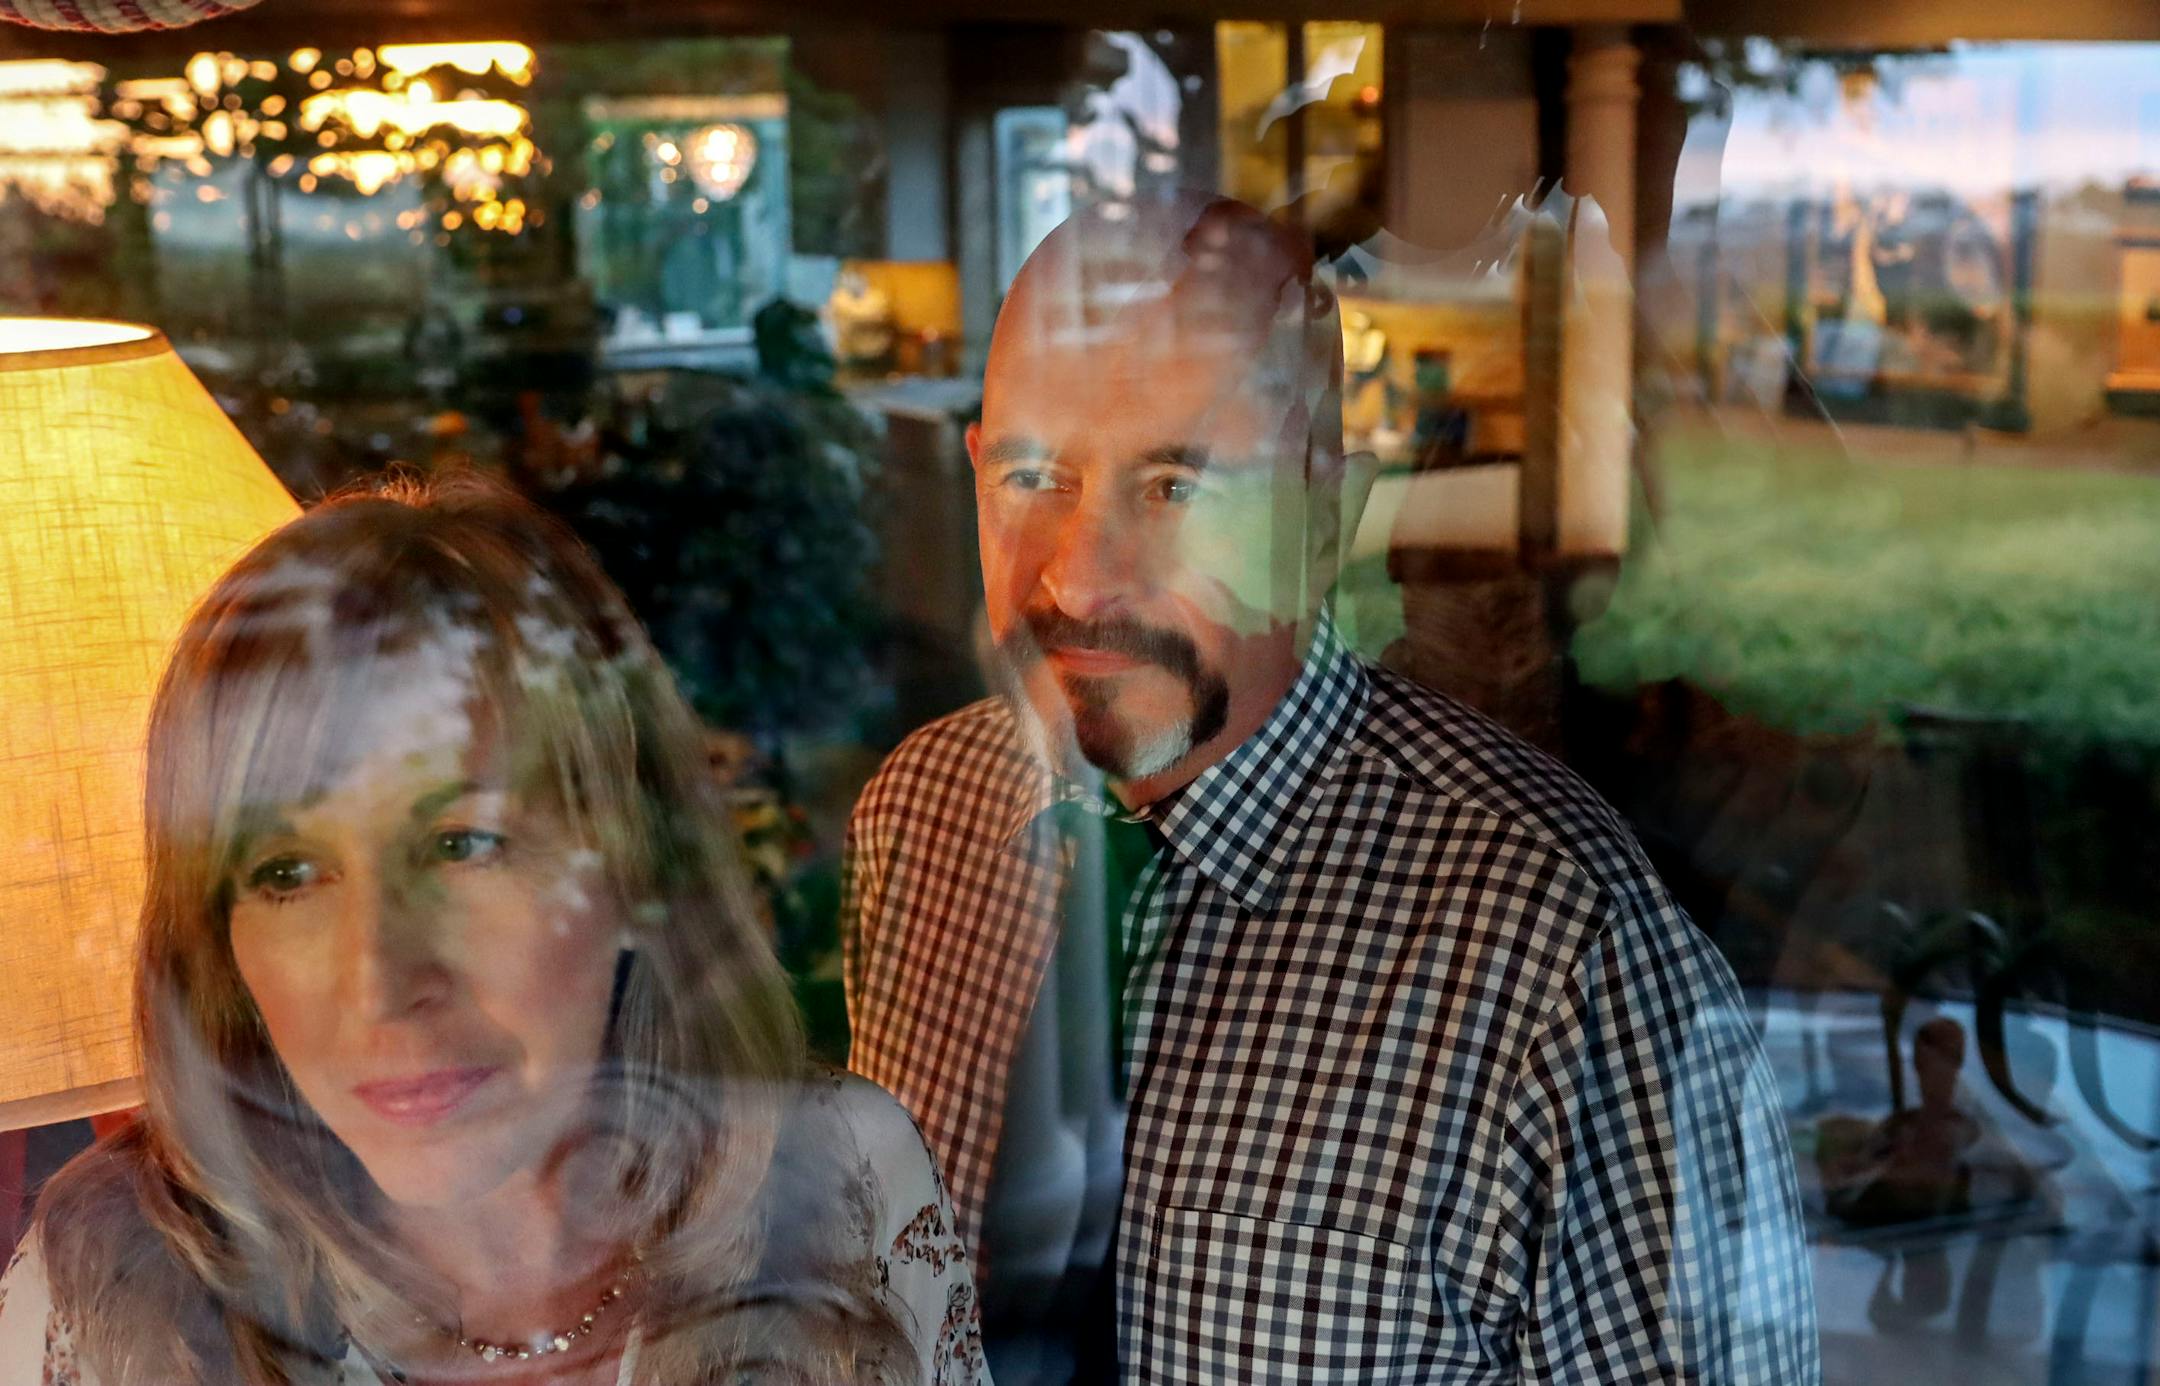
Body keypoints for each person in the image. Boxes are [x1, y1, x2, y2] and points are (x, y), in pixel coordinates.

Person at [842, 195, 1818, 1382]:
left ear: (1326, 515)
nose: (1082, 578)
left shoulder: (1556, 943)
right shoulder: (924, 813)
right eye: (1035, 475)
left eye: (1175, 486)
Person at [0, 475, 986, 1386]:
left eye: (464, 843)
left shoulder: (848, 1183)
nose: (381, 983)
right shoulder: (98, 1301)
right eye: (287, 874)